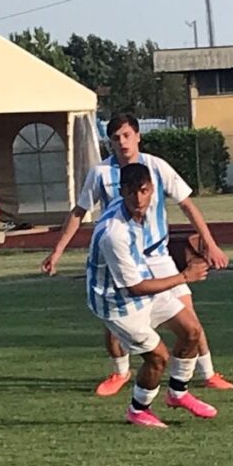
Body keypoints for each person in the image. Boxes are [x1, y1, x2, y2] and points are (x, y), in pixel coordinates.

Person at [42, 113, 233, 394]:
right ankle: (119, 373)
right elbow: (80, 211)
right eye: (115, 138)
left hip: (157, 254)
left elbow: (187, 205)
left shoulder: (156, 167)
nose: (122, 142)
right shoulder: (101, 173)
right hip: (123, 256)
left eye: (126, 135)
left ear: (138, 136)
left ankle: (208, 372)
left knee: (188, 315)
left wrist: (211, 244)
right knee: (117, 318)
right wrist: (57, 251)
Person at [86, 163, 217, 428]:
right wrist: (184, 277)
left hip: (140, 283)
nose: (138, 198)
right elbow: (133, 288)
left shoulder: (142, 211)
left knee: (191, 330)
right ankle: (138, 410)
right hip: (117, 303)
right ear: (121, 192)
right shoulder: (114, 233)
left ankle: (177, 393)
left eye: (143, 191)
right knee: (158, 357)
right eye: (132, 192)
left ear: (152, 190)